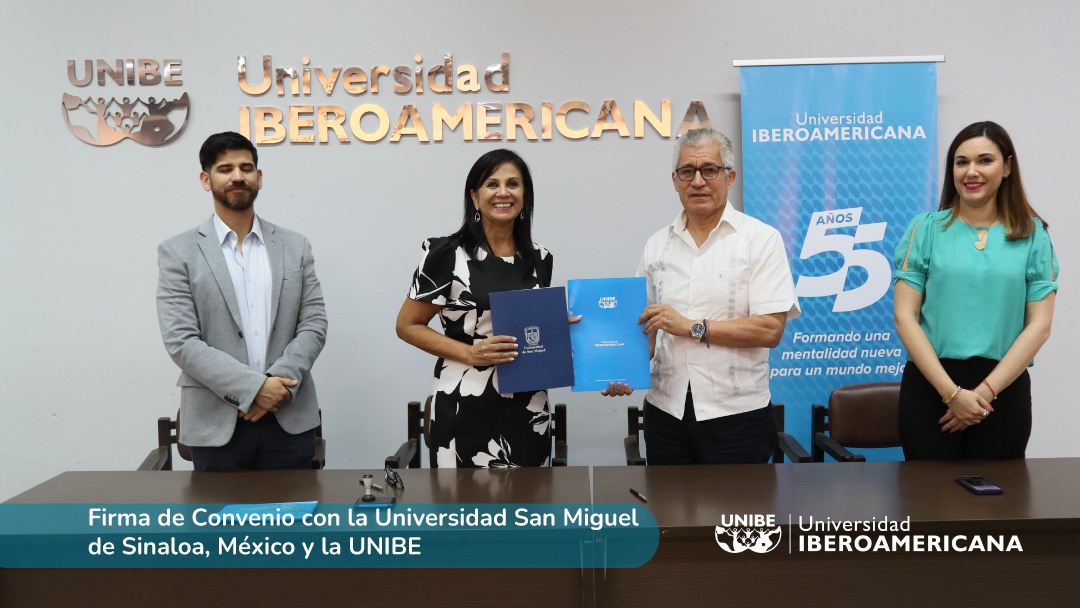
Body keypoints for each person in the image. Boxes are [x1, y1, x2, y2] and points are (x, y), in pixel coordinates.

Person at [156, 131, 327, 470]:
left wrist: (277, 387)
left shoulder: (295, 246)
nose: (237, 176)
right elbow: (181, 341)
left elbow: (314, 324)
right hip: (217, 420)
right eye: (225, 169)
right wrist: (255, 388)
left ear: (259, 178)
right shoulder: (178, 252)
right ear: (206, 180)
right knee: (219, 508)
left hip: (288, 415)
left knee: (293, 506)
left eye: (246, 168)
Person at [633, 128, 800, 464]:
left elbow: (770, 329)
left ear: (730, 177)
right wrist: (619, 369)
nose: (697, 181)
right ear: (675, 180)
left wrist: (692, 326)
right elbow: (642, 329)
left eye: (709, 169)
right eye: (687, 171)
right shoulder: (656, 245)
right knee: (667, 501)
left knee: (737, 502)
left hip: (737, 416)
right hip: (666, 412)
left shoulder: (760, 240)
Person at [894, 121, 1057, 460]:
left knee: (999, 493)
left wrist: (984, 393)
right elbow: (905, 317)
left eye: (985, 160)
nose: (971, 171)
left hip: (1002, 390)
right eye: (961, 162)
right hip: (931, 388)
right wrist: (952, 395)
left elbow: (1039, 325)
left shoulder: (1033, 234)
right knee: (928, 492)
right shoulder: (925, 229)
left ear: (1007, 167)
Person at [396, 149, 565, 468]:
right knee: (462, 500)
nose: (503, 192)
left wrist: (559, 327)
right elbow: (407, 325)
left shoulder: (540, 258)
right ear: (474, 197)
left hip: (529, 407)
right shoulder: (446, 254)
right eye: (492, 184)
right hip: (464, 403)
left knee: (530, 499)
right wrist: (471, 353)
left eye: (513, 184)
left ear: (525, 196)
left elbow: (532, 329)